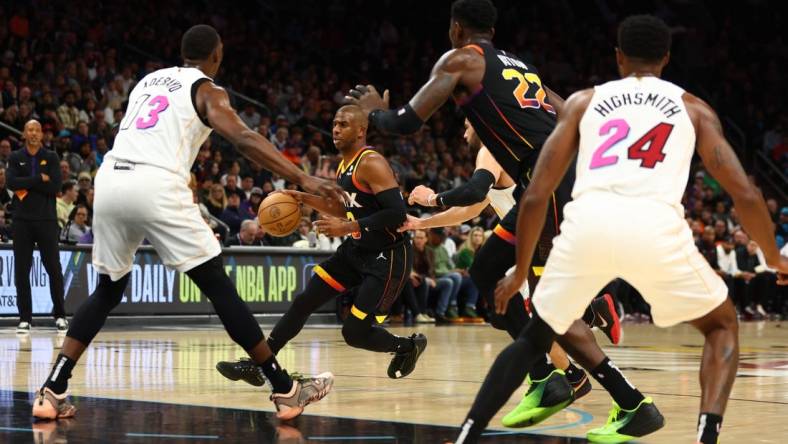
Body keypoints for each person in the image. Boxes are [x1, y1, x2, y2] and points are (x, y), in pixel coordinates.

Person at [459, 15, 788, 443]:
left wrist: (520, 271)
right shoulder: (694, 108)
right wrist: (774, 257)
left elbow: (537, 194)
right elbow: (745, 194)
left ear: (617, 57)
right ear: (666, 58)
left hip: (586, 226)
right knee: (723, 324)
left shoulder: (581, 102)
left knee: (535, 335)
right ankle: (706, 436)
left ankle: (468, 434)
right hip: (654, 228)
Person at [32, 24, 343, 422]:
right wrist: (304, 177)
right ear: (217, 55)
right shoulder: (208, 90)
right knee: (218, 286)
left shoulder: (147, 81)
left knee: (108, 289)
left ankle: (53, 388)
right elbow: (244, 138)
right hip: (155, 182)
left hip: (109, 178)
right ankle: (285, 390)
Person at [349, 0, 636, 429]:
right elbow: (569, 112)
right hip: (551, 181)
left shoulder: (463, 58)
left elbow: (407, 121)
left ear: (456, 28)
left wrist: (372, 111)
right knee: (485, 272)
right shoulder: (522, 67)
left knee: (547, 306)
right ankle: (549, 374)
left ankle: (627, 399)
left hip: (550, 180)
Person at [215, 105, 427, 385]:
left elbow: (396, 213)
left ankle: (408, 347)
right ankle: (260, 365)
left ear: (361, 130)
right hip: (357, 251)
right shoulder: (343, 165)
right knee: (304, 301)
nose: (336, 129)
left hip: (388, 257)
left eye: (344, 124)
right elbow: (346, 208)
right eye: (334, 123)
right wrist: (302, 197)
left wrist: (349, 227)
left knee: (354, 333)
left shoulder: (371, 162)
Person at [6, 120, 67, 333]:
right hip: (22, 221)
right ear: (24, 133)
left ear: (42, 135)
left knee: (54, 269)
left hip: (47, 221)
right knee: (22, 271)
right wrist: (38, 179)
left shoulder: (51, 157)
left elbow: (55, 186)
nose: (33, 133)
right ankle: (25, 318)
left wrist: (28, 182)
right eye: (30, 129)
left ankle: (60, 315)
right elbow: (11, 183)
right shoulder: (15, 157)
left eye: (37, 130)